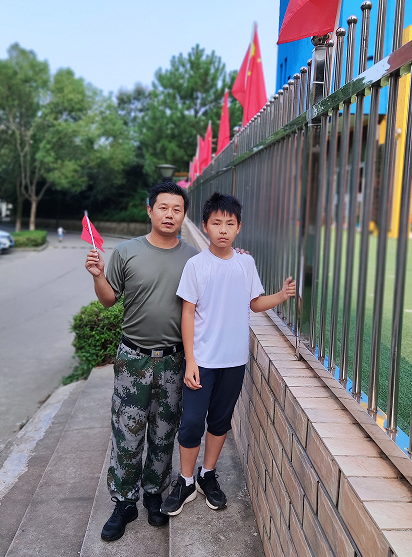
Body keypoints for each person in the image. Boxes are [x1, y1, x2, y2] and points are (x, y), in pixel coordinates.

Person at [160, 192, 295, 516]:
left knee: (220, 421)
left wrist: (281, 295)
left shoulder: (245, 263)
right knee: (192, 423)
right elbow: (187, 313)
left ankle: (207, 475)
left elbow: (254, 303)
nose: (223, 229)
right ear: (205, 225)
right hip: (202, 362)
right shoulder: (196, 265)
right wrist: (191, 361)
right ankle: (186, 481)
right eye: (216, 223)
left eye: (230, 223)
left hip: (234, 361)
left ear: (239, 227)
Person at [85, 182, 198, 541]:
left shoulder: (193, 257)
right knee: (127, 432)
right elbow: (108, 300)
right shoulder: (126, 252)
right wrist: (98, 276)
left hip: (174, 360)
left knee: (164, 432)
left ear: (183, 215)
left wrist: (236, 257)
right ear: (150, 210)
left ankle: (153, 494)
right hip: (133, 359)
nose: (169, 214)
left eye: (177, 209)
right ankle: (124, 502)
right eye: (163, 207)